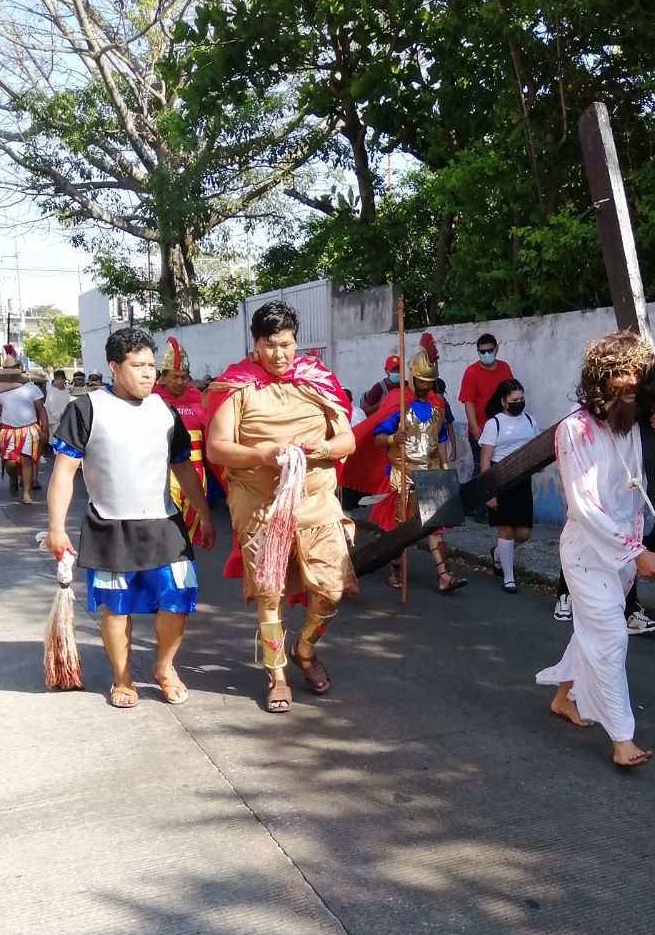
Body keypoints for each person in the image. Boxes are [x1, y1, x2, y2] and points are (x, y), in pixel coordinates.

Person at [45, 326, 215, 708]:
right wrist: (56, 528)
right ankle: (122, 679)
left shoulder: (165, 411)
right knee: (117, 608)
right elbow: (63, 474)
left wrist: (203, 513)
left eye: (151, 365)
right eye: (137, 365)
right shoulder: (86, 409)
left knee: (177, 601)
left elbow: (183, 467)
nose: (148, 373)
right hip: (110, 527)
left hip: (165, 525)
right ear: (113, 367)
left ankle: (165, 668)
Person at [536, 328, 655, 768]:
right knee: (613, 636)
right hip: (586, 552)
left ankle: (563, 697)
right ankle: (622, 738)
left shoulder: (639, 425)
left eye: (640, 377)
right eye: (624, 376)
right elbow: (585, 507)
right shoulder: (574, 429)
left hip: (625, 549)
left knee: (595, 632)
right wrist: (636, 552)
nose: (633, 385)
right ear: (601, 381)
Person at [206, 300, 356, 714]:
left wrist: (321, 448)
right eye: (269, 345)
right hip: (261, 509)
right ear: (255, 344)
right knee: (268, 595)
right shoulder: (236, 386)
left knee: (332, 591)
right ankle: (277, 675)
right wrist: (265, 454)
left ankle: (304, 648)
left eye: (286, 344)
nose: (279, 354)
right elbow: (217, 448)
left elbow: (347, 440)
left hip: (316, 504)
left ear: (296, 341)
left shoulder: (317, 380)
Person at [368, 346, 468, 594]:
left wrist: (445, 467)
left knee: (436, 526)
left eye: (429, 382)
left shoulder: (437, 403)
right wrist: (393, 438)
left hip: (431, 472)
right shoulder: (396, 401)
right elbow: (378, 437)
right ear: (413, 377)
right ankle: (395, 571)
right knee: (398, 528)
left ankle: (444, 576)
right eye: (421, 381)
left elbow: (441, 437)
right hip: (401, 473)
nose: (425, 386)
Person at [479, 378, 538, 593]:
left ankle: (498, 554)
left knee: (523, 534)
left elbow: (535, 448)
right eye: (515, 399)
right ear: (504, 401)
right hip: (500, 479)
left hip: (522, 480)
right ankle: (508, 577)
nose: (519, 402)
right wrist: (490, 491)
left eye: (522, 399)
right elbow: (485, 459)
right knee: (505, 529)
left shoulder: (530, 421)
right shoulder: (493, 423)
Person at [154, 337, 210, 542]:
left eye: (184, 377)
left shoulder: (198, 398)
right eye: (175, 376)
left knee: (191, 530)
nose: (180, 382)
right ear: (163, 376)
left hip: (197, 472)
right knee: (169, 530)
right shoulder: (152, 401)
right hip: (166, 473)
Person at [458, 333, 514, 520]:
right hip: (481, 430)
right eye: (482, 352)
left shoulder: (504, 368)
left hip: (503, 430)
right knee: (481, 469)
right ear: (478, 352)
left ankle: (498, 506)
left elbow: (511, 395)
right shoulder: (471, 372)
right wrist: (474, 426)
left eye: (490, 350)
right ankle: (479, 509)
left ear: (496, 349)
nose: (487, 354)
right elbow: (468, 401)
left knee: (501, 469)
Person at [0, 366, 48, 504]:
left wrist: (45, 431)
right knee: (10, 463)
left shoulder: (32, 388)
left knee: (27, 460)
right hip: (8, 431)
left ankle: (26, 493)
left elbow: (42, 411)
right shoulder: (1, 389)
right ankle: (13, 479)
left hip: (29, 430)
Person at [360, 353, 402, 418]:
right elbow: (365, 410)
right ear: (386, 370)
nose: (396, 372)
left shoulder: (407, 385)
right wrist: (379, 403)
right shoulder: (379, 388)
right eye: (393, 370)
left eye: (398, 369)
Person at [45, 369, 71, 446]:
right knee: (58, 445)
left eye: (62, 379)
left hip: (68, 421)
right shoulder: (51, 393)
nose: (60, 381)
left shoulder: (69, 391)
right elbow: (51, 408)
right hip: (56, 422)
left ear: (65, 380)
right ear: (55, 380)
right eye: (58, 379)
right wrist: (60, 417)